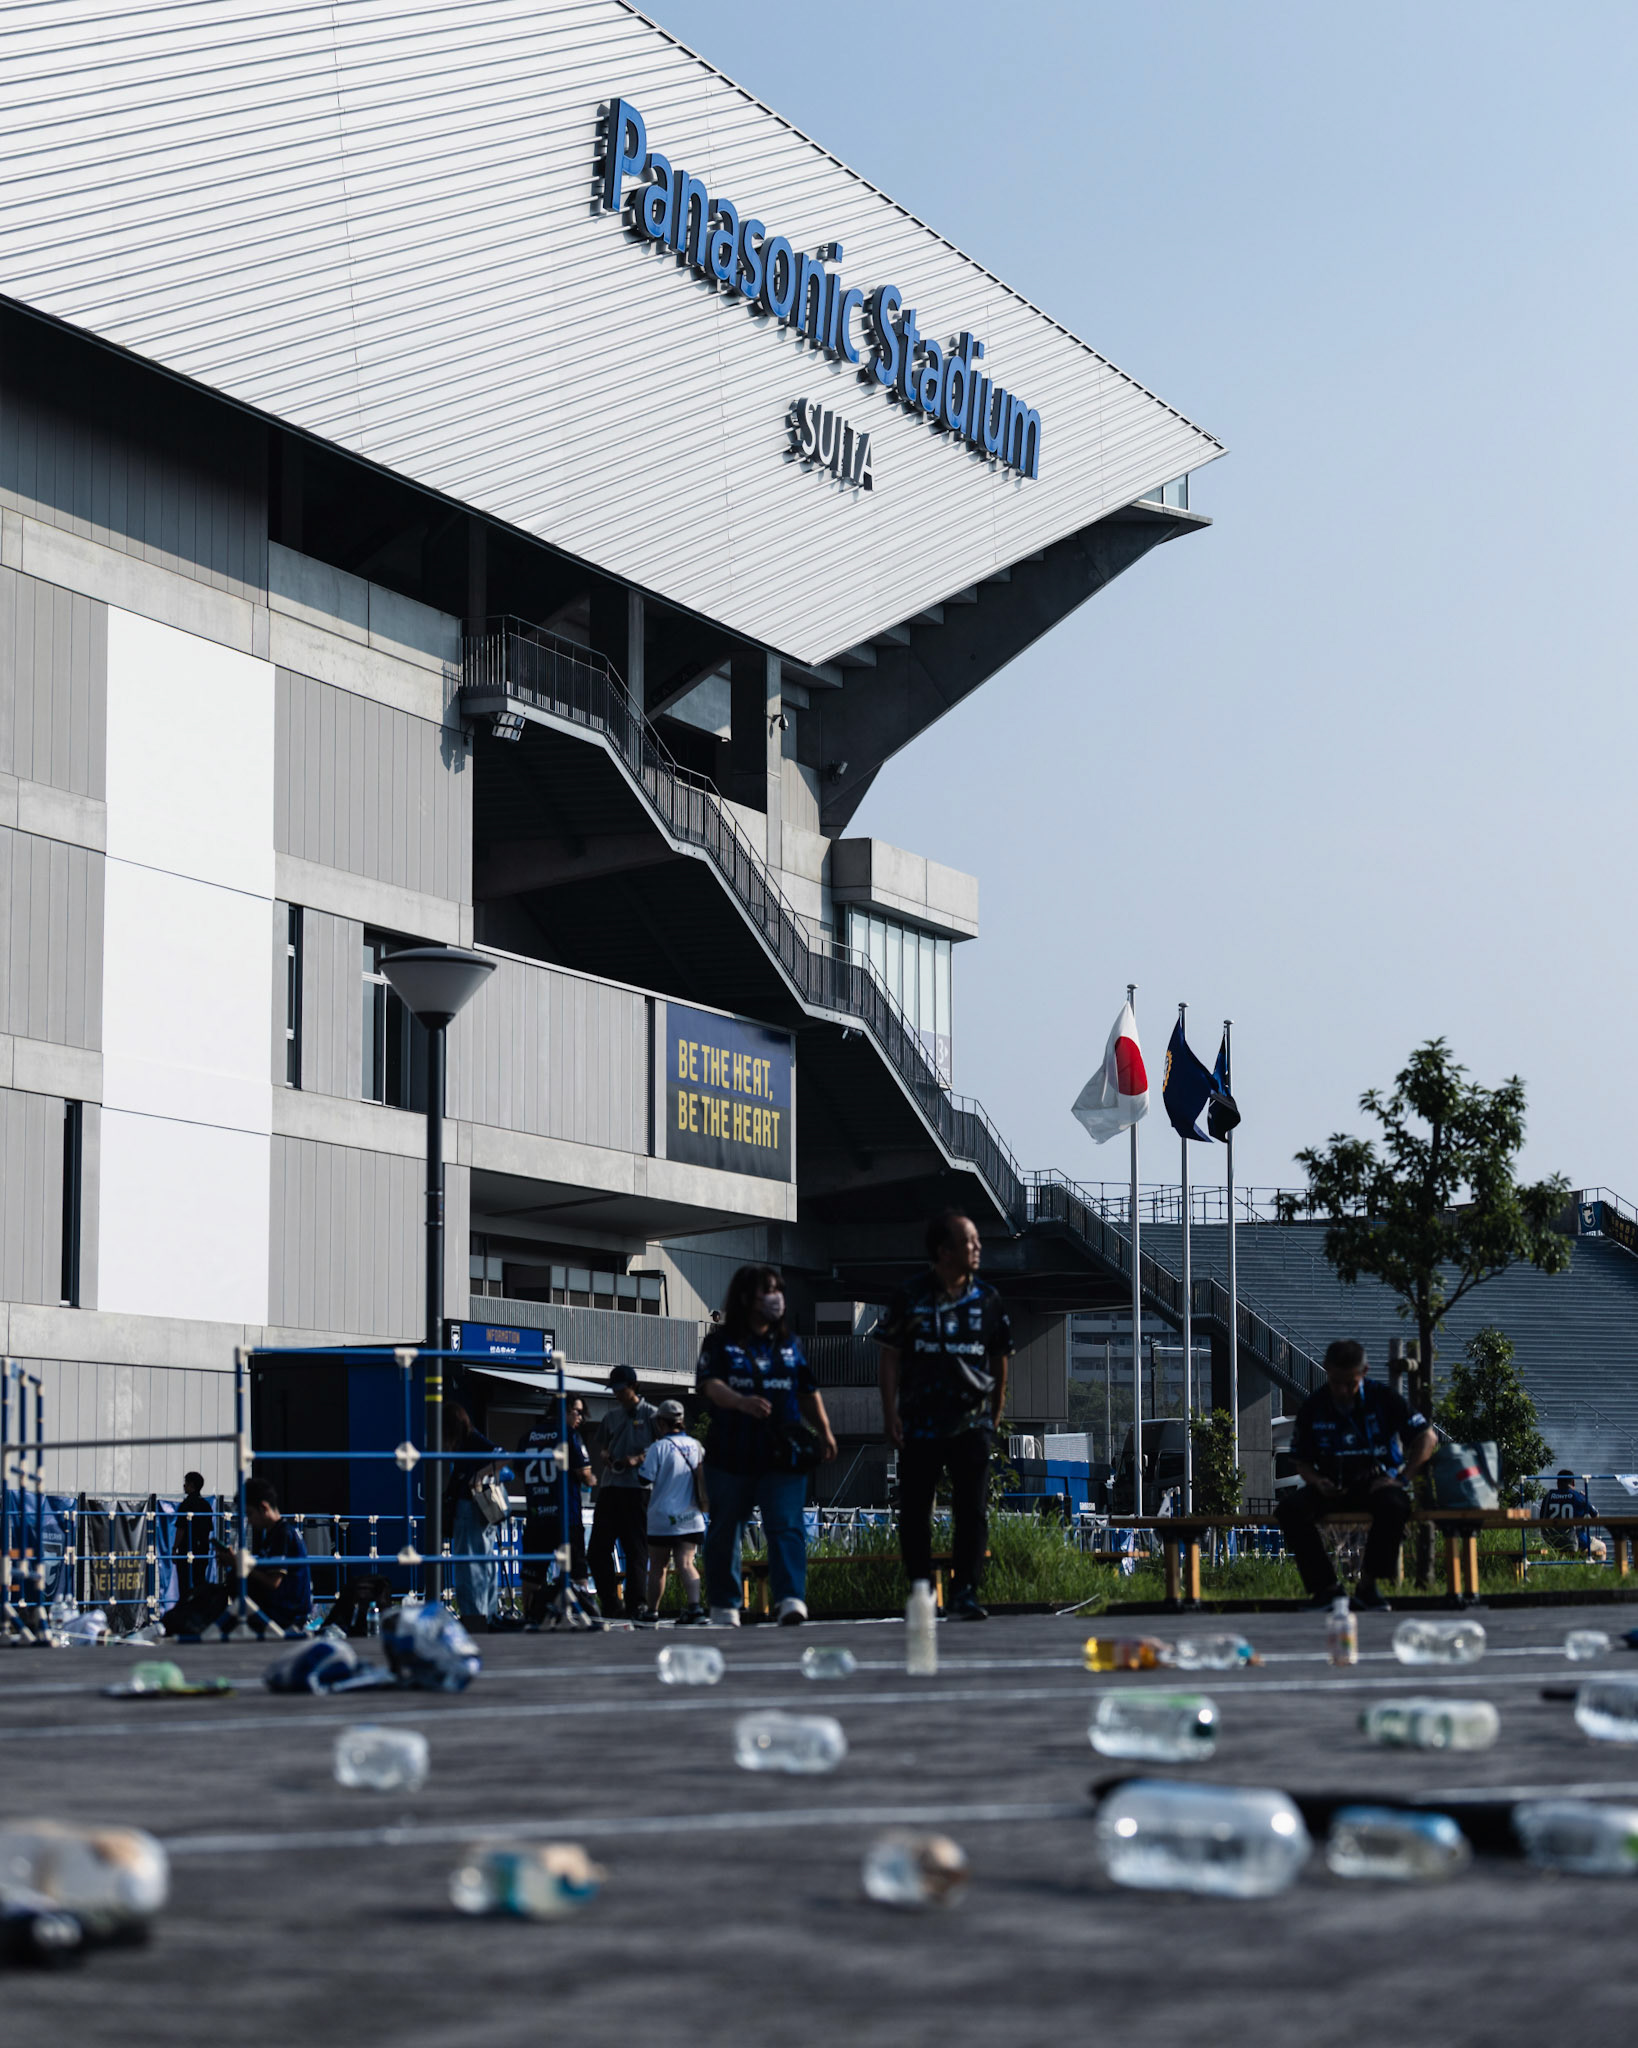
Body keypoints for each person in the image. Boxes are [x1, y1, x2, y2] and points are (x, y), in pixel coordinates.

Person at [876, 1211, 1012, 1622]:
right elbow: (890, 1356)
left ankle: (964, 1591)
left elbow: (1000, 1355)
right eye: (969, 1241)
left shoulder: (988, 1298)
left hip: (972, 1423)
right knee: (915, 1509)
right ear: (944, 1250)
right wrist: (889, 1411)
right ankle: (921, 1589)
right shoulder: (910, 1295)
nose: (978, 1248)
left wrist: (996, 1409)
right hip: (920, 1422)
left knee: (972, 1510)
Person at [698, 1265, 836, 1627]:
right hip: (731, 1450)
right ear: (746, 1297)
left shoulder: (789, 1343)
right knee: (726, 1527)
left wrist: (825, 1431)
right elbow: (710, 1385)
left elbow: (807, 1391)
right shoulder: (720, 1342)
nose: (776, 1298)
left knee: (786, 1524)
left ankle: (790, 1598)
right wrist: (741, 1402)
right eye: (767, 1290)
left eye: (778, 1290)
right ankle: (725, 1604)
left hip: (781, 1451)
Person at [1276, 1338, 1435, 1610]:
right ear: (1326, 1370)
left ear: (1364, 1372)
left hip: (1375, 1484)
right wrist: (1317, 1481)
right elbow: (1301, 1462)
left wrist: (1402, 1479)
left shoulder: (1383, 1398)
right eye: (1335, 1382)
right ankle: (1327, 1590)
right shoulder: (1314, 1406)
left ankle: (1368, 1587)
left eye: (1350, 1383)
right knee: (1289, 1510)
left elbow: (1427, 1438)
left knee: (1396, 1504)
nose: (1342, 1390)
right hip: (1330, 1486)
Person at [516, 1395, 594, 1621]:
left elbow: (520, 1469)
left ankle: (529, 1616)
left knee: (532, 1576)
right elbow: (585, 1473)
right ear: (566, 1410)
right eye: (578, 1412)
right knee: (577, 1573)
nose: (580, 1418)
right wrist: (591, 1479)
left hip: (538, 1515)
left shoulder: (527, 1436)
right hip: (566, 1517)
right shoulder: (569, 1435)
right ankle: (582, 1616)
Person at [589, 1367, 657, 1619]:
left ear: (634, 1386)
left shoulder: (652, 1414)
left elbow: (662, 1447)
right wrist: (606, 1456)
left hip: (638, 1488)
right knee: (597, 1550)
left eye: (621, 1389)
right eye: (614, 1390)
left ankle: (636, 1604)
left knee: (635, 1548)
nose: (617, 1395)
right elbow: (602, 1446)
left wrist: (638, 1458)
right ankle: (610, 1603)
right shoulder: (611, 1416)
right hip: (610, 1486)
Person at [638, 1400, 707, 1623]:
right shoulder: (696, 1446)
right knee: (686, 1563)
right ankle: (695, 1608)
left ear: (661, 1422)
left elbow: (644, 1478)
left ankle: (652, 1611)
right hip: (691, 1517)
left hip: (662, 1518)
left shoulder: (658, 1448)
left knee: (658, 1566)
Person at [443, 1400, 500, 1627]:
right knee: (485, 1564)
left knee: (469, 1568)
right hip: (481, 1508)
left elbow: (502, 1456)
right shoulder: (470, 1441)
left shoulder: (470, 1441)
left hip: (469, 1507)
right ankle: (487, 1615)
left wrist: (479, 1476)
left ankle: (474, 1618)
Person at [242, 1478, 313, 1634]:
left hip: (286, 1613)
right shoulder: (276, 1533)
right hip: (282, 1609)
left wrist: (241, 1566)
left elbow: (273, 1582)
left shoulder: (283, 1534)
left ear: (263, 1508)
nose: (249, 1521)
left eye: (250, 1514)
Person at [174, 1471, 213, 1605]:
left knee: (184, 1585)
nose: (184, 1486)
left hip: (186, 1550)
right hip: (202, 1550)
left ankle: (185, 1610)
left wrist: (174, 1548)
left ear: (191, 1485)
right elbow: (208, 1530)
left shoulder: (186, 1504)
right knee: (199, 1582)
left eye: (186, 1483)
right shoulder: (206, 1506)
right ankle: (200, 1609)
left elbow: (181, 1529)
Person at [1540, 1467, 1598, 1555]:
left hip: (1551, 1542)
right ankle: (1594, 1564)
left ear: (1557, 1483)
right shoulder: (1578, 1497)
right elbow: (1596, 1517)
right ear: (1573, 1482)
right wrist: (1585, 1499)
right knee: (1602, 1547)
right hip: (1576, 1541)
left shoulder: (1548, 1496)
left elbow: (1542, 1518)